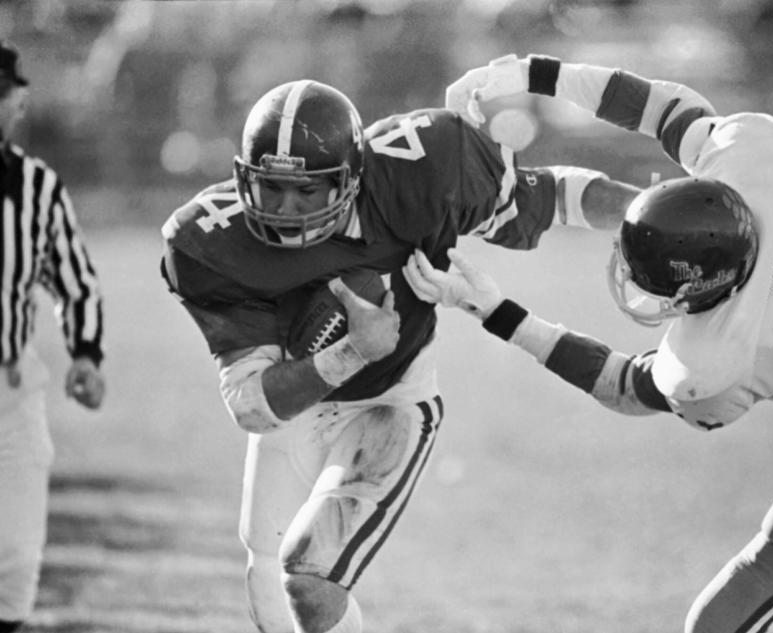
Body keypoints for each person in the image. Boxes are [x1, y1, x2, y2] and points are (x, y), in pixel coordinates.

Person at [405, 54, 773, 632]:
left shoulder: (719, 360)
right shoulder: (759, 159)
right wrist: (532, 73)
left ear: (702, 287)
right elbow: (653, 104)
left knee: (736, 602)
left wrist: (494, 310)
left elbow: (623, 386)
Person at [159, 77, 642, 633]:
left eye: (308, 191)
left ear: (353, 178)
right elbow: (252, 404)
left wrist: (650, 214)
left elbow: (550, 195)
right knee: (266, 576)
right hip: (297, 403)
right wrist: (350, 351)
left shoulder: (426, 169)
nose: (286, 210)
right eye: (271, 189)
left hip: (391, 398)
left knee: (308, 577)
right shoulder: (207, 242)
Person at [0, 40, 106, 633]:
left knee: (15, 561)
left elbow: (77, 284)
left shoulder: (36, 189)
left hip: (11, 390)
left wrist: (86, 354)